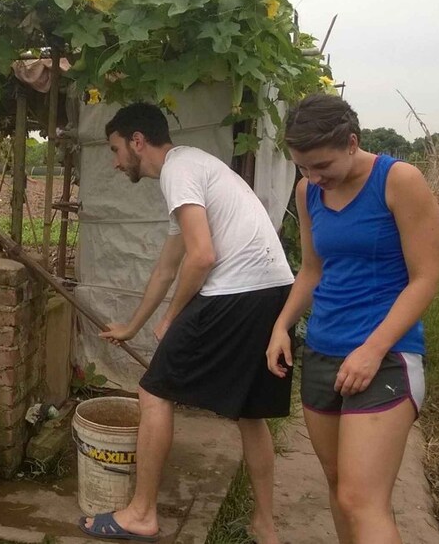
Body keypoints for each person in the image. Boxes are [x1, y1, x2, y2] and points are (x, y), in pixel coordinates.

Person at [79, 102, 295, 543]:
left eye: (116, 149)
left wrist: (173, 318)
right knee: (251, 414)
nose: (116, 162)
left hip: (235, 292)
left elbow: (202, 257)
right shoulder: (194, 169)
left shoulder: (179, 172)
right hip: (271, 291)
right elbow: (166, 266)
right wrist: (133, 325)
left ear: (138, 141)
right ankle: (265, 526)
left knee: (153, 391)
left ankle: (141, 513)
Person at [266, 94, 439, 543]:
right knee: (339, 489)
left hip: (385, 356)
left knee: (362, 501)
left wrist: (372, 349)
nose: (313, 177)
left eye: (321, 165)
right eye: (302, 168)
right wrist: (281, 325)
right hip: (324, 352)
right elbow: (312, 268)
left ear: (351, 142)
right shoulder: (310, 192)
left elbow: (425, 278)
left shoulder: (399, 180)